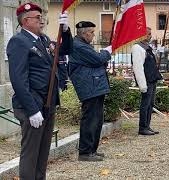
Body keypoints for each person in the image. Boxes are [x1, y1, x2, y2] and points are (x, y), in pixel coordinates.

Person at [6, 3, 72, 179]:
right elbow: (18, 79)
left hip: (47, 102)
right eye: (37, 17)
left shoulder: (42, 40)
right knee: (31, 153)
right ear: (26, 21)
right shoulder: (19, 41)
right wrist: (32, 110)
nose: (41, 20)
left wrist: (65, 31)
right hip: (32, 105)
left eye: (41, 17)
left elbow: (65, 50)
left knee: (43, 152)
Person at [68, 21, 112, 161]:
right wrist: (107, 51)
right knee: (90, 120)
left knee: (97, 119)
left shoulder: (84, 45)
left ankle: (92, 149)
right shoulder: (78, 45)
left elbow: (98, 61)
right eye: (92, 32)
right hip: (89, 86)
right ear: (84, 33)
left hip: (94, 85)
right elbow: (98, 59)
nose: (93, 35)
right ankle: (85, 152)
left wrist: (101, 58)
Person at [131, 27, 163, 136]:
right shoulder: (137, 47)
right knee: (145, 104)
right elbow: (138, 67)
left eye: (150, 34)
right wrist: (142, 84)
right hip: (146, 81)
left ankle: (147, 125)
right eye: (148, 34)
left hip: (152, 79)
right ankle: (142, 127)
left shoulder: (147, 47)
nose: (150, 36)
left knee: (150, 104)